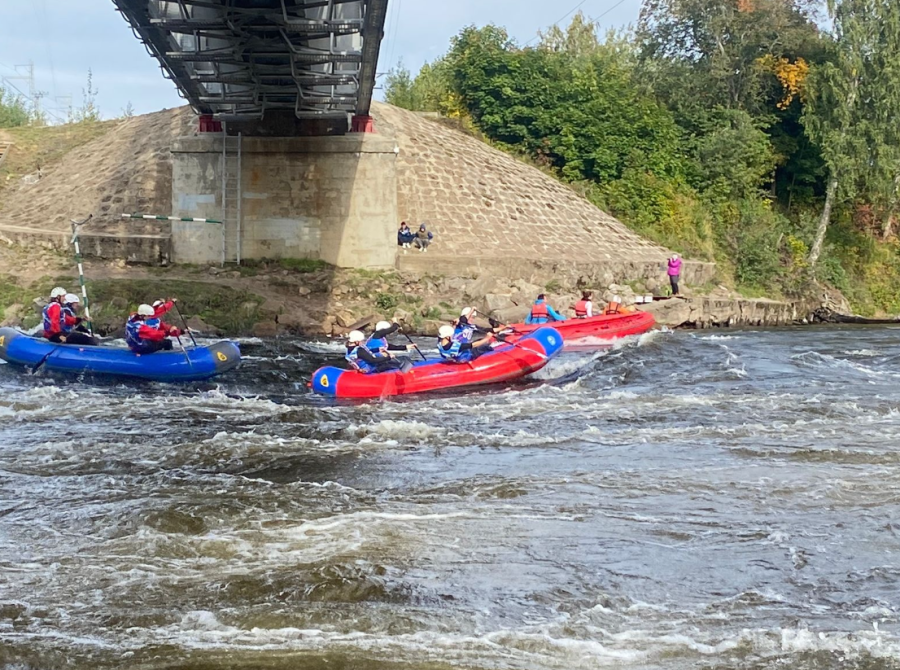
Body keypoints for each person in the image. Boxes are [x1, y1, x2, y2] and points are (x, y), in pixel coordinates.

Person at [345, 329, 412, 374]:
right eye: (361, 341)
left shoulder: (349, 349)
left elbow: (365, 354)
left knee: (383, 359)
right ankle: (405, 372)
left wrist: (377, 349)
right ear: (356, 341)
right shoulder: (359, 350)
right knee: (388, 363)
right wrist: (389, 357)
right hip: (371, 369)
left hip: (363, 368)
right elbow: (373, 360)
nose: (362, 342)